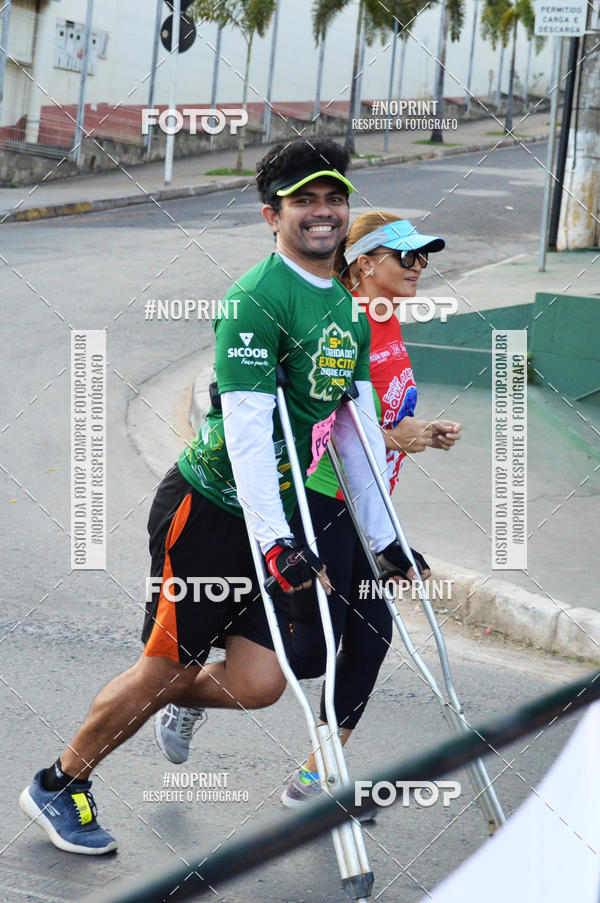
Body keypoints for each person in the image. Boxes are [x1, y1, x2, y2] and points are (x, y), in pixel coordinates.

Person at [19, 139, 415, 854]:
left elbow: (356, 436)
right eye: (304, 200)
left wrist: (386, 540)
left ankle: (159, 703)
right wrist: (274, 539)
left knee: (260, 681)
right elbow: (250, 432)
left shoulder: (349, 312)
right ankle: (60, 779)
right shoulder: (257, 299)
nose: (322, 212)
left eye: (332, 198)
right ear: (273, 215)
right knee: (161, 668)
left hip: (274, 517)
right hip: (208, 512)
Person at [155, 213, 462, 815]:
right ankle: (186, 691)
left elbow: (377, 425)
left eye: (424, 256)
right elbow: (340, 421)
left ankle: (320, 772)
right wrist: (411, 436)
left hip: (367, 504)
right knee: (313, 651)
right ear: (363, 264)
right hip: (320, 496)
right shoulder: (339, 324)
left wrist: (413, 439)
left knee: (372, 637)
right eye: (405, 258)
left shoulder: (388, 324)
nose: (418, 266)